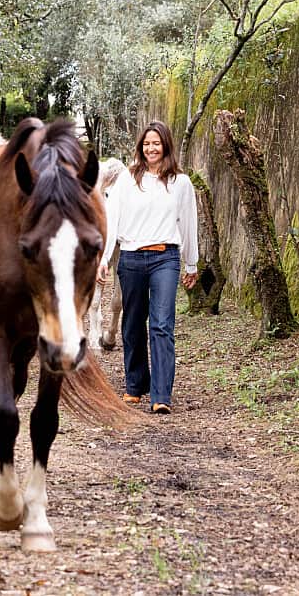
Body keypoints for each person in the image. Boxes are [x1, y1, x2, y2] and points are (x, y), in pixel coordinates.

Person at [96, 121, 198, 414]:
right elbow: (111, 221)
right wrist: (104, 257)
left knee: (162, 324)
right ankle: (135, 385)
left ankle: (161, 394)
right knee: (132, 323)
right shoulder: (127, 180)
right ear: (141, 147)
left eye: (156, 143)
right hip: (131, 258)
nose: (151, 148)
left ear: (166, 145)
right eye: (146, 144)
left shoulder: (181, 183)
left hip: (165, 257)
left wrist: (191, 263)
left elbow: (189, 225)